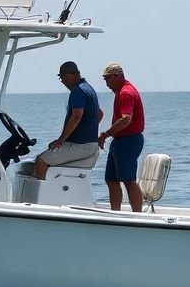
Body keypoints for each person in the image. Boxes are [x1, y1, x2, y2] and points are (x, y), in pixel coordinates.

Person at [34, 61, 102, 180]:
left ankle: (43, 192)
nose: (62, 81)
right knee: (48, 156)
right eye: (60, 78)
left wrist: (61, 140)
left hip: (81, 145)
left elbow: (76, 117)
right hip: (89, 144)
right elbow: (100, 114)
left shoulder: (78, 91)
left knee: (41, 161)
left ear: (75, 74)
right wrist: (88, 130)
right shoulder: (88, 88)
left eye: (63, 77)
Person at [98, 63, 146, 212]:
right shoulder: (121, 91)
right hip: (119, 140)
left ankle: (138, 215)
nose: (106, 83)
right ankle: (115, 212)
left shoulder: (126, 92)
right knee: (111, 179)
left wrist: (106, 134)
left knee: (129, 180)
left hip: (129, 140)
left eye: (107, 78)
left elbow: (126, 119)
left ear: (117, 76)